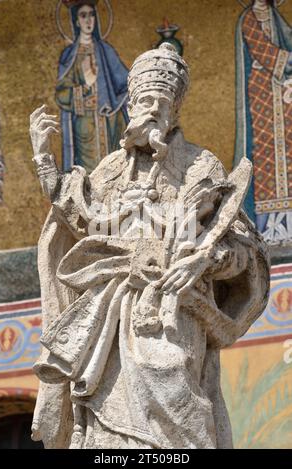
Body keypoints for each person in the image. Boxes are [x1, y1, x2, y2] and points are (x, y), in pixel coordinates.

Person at [30, 44, 269, 449]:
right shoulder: (109, 170)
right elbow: (80, 218)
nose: (152, 110)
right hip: (113, 310)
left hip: (172, 311)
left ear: (175, 111)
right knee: (107, 425)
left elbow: (242, 250)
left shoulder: (200, 165)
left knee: (177, 392)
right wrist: (43, 160)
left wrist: (206, 260)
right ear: (129, 108)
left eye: (162, 102)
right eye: (144, 101)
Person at [235, 0, 292, 243]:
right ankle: (268, 229)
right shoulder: (249, 18)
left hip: (285, 93)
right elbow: (264, 52)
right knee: (266, 155)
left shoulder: (278, 18)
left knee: (288, 152)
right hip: (262, 93)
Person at [56, 0, 129, 173]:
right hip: (84, 127)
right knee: (88, 177)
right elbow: (61, 93)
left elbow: (128, 83)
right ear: (76, 21)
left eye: (92, 15)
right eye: (83, 15)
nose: (88, 20)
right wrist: (84, 90)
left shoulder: (106, 51)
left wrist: (113, 103)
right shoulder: (69, 55)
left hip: (110, 124)